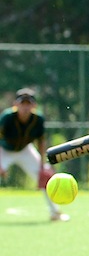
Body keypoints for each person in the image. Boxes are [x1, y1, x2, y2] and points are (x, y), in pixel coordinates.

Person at [0, 88, 69, 222]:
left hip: (25, 150)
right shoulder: (7, 117)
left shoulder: (38, 119)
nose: (25, 107)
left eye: (28, 104)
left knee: (47, 178)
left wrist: (42, 165)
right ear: (16, 104)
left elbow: (41, 141)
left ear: (34, 105)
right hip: (4, 150)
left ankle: (56, 213)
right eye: (22, 103)